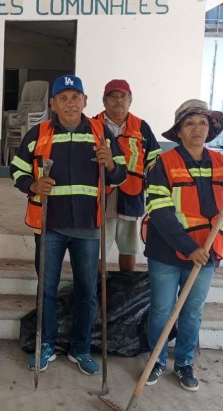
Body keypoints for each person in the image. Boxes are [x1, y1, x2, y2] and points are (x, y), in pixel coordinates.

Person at [10, 75, 126, 375]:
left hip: (88, 227)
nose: (70, 103)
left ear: (85, 101)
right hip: (49, 225)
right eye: (63, 98)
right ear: (53, 104)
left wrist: (110, 164)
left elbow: (121, 175)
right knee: (46, 290)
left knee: (87, 291)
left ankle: (81, 348)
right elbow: (17, 169)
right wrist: (33, 185)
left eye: (76, 97)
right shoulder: (38, 134)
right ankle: (45, 345)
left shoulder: (102, 134)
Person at [142, 99, 223, 392]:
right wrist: (188, 245)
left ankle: (184, 363)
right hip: (167, 251)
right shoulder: (163, 163)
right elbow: (159, 210)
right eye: (190, 123)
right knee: (161, 309)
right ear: (178, 131)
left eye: (203, 123)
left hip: (207, 254)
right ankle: (155, 360)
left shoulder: (221, 162)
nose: (197, 129)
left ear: (210, 130)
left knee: (192, 312)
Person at [94, 79, 161, 272]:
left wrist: (153, 187)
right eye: (113, 97)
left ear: (130, 100)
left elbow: (153, 159)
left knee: (128, 248)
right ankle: (97, 288)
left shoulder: (141, 127)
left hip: (131, 194)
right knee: (98, 249)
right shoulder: (92, 124)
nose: (118, 101)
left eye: (123, 97)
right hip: (100, 195)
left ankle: (127, 286)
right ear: (104, 101)